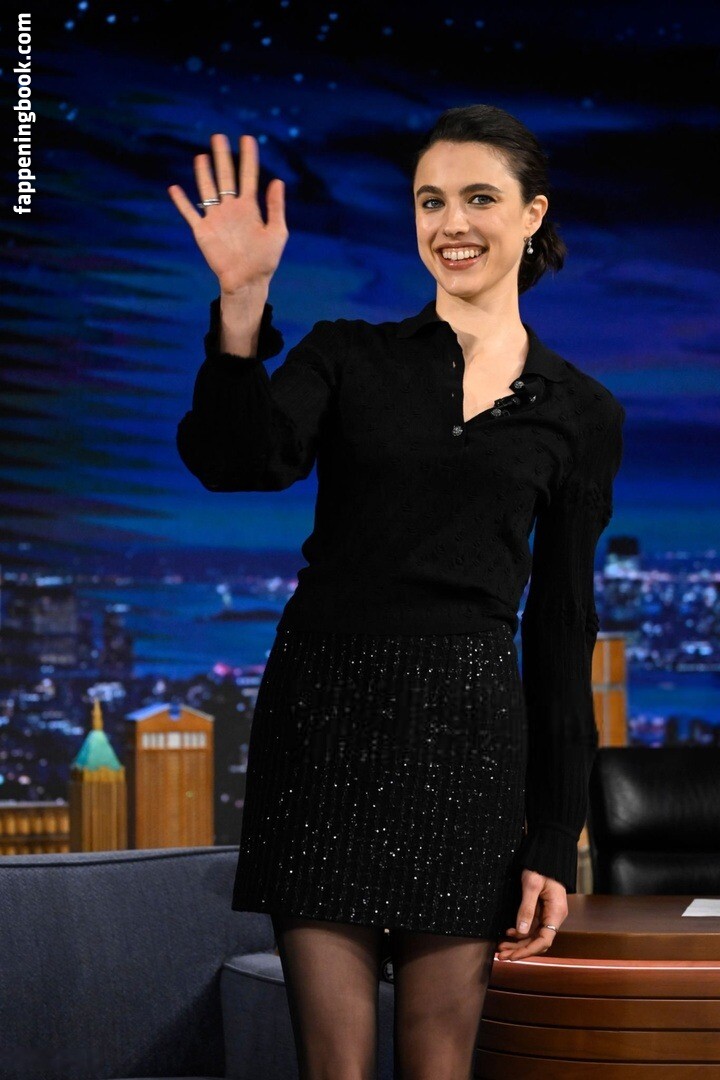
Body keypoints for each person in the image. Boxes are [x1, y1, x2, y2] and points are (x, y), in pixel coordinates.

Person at [169, 104, 625, 1080]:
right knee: (332, 1066)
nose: (450, 223)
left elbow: (562, 628)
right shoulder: (346, 354)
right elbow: (236, 461)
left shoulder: (583, 411)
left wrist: (554, 834)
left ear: (533, 214)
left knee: (438, 1064)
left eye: (479, 198)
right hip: (325, 720)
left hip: (467, 738)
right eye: (430, 201)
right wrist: (242, 303)